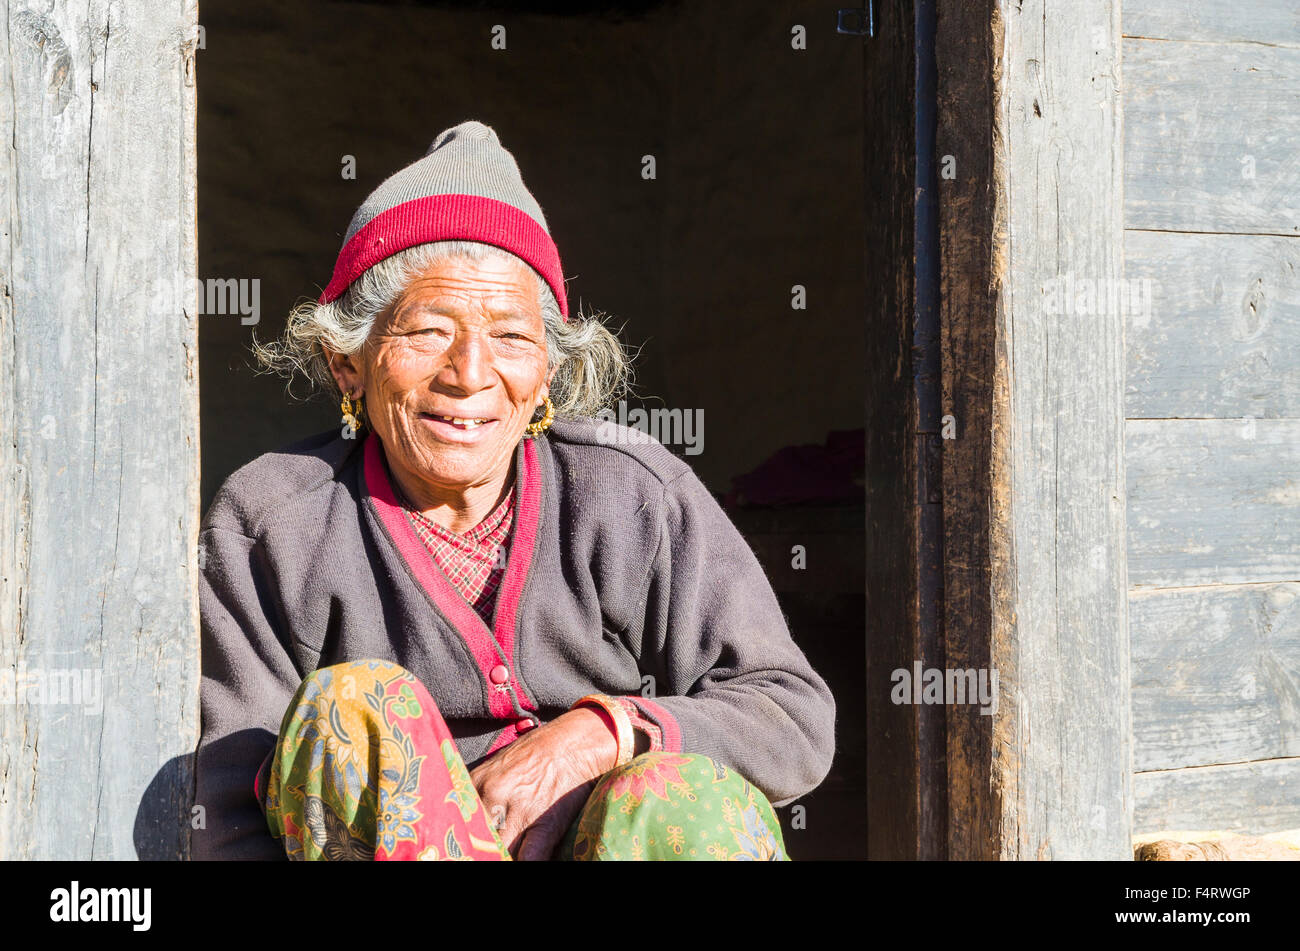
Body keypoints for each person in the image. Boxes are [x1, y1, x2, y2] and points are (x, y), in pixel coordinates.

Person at [193, 119, 836, 861]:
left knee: (679, 801)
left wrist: (604, 732)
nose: (470, 373)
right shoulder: (275, 522)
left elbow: (792, 716)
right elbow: (224, 813)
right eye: (428, 330)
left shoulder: (630, 497)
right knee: (356, 714)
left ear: (546, 377)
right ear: (349, 363)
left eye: (510, 337)